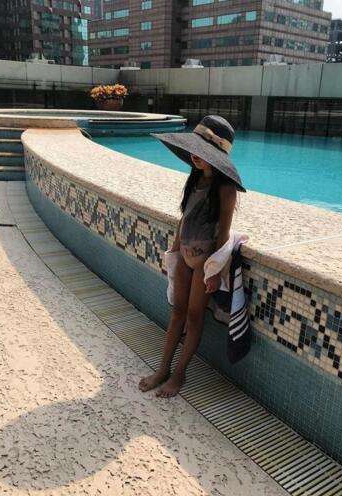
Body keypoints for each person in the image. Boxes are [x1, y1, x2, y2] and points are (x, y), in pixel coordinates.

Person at [138, 115, 246, 398]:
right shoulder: (194, 179)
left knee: (195, 318)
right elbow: (184, 219)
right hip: (185, 259)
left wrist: (214, 271)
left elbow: (224, 233)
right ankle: (163, 368)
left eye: (203, 152)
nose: (196, 157)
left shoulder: (225, 189)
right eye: (194, 151)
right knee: (177, 313)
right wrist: (174, 254)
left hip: (203, 264)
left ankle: (179, 373)